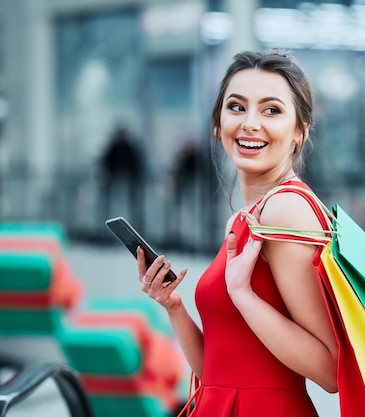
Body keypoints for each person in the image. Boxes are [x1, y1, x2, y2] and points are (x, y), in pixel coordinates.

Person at [136, 50, 338, 416]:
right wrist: (174, 307)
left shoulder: (286, 210)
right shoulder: (244, 219)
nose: (250, 123)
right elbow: (217, 375)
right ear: (217, 124)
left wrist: (243, 295)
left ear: (300, 131)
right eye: (237, 107)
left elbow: (330, 369)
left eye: (271, 110)